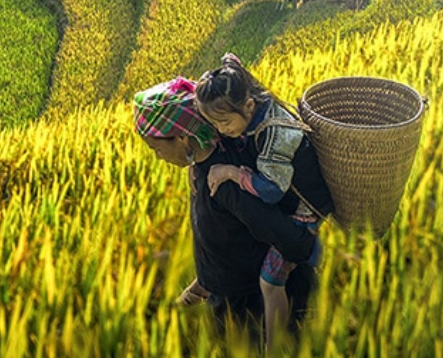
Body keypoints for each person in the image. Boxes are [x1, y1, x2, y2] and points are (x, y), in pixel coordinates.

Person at [135, 78, 320, 340]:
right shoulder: (202, 166)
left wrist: (303, 243)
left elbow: (288, 238)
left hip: (245, 313)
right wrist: (201, 285)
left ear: (184, 138)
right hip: (221, 291)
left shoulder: (223, 184)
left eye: (157, 148)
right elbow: (223, 239)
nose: (158, 156)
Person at [194, 54, 334, 348]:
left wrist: (232, 172)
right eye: (214, 123)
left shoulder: (275, 133)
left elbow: (271, 190)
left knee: (270, 282)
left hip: (304, 211)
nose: (221, 130)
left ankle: (274, 351)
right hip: (287, 196)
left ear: (248, 106)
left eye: (225, 122)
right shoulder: (251, 106)